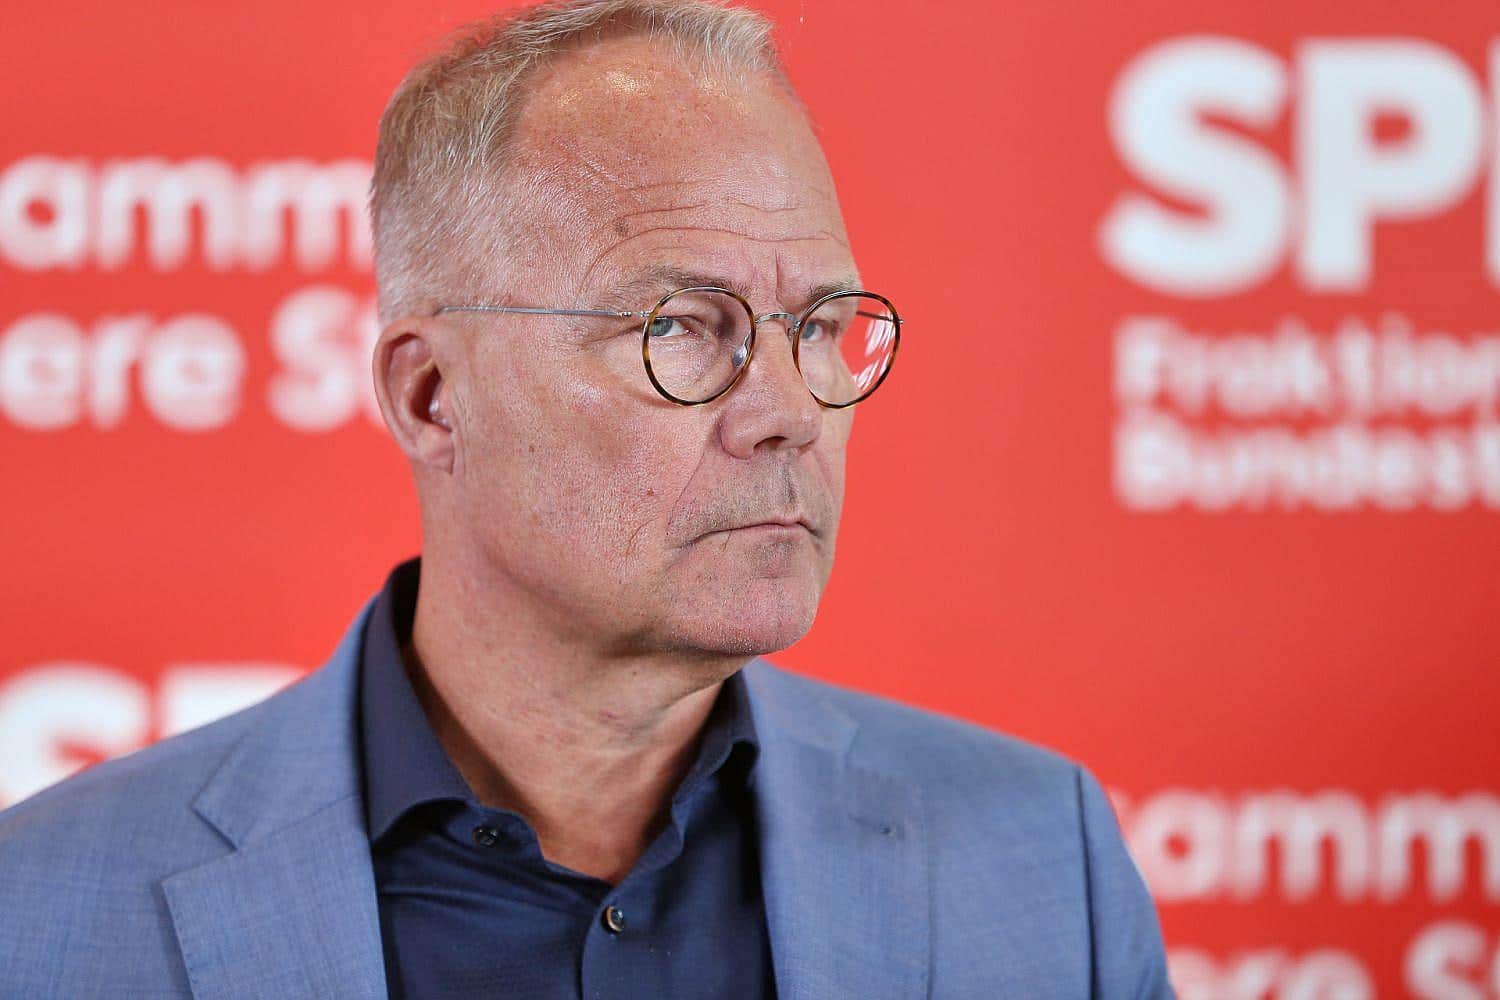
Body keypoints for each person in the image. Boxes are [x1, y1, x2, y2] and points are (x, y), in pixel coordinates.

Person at [0, 1, 1173, 996]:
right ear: (431, 395)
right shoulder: (43, 910)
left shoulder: (1041, 864)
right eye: (682, 327)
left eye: (819, 326)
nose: (790, 410)